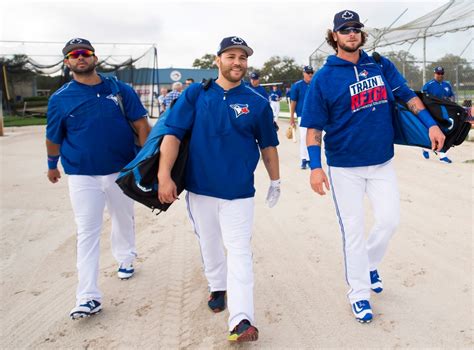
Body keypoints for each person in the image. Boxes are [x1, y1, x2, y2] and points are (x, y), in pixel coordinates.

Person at [301, 10, 445, 324]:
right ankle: (359, 295)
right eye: (345, 30)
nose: (351, 34)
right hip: (344, 167)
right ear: (335, 36)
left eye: (356, 29)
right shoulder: (325, 77)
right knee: (352, 232)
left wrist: (431, 125)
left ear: (361, 34)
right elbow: (313, 129)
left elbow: (407, 96)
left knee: (390, 221)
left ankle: (369, 263)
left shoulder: (379, 64)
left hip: (381, 162)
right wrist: (314, 166)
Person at [157, 36, 280, 342]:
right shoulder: (196, 94)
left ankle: (241, 319)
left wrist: (276, 180)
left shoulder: (257, 102)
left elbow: (268, 146)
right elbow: (172, 135)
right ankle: (218, 285)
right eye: (231, 56)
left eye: (242, 57)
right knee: (210, 243)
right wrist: (164, 176)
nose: (237, 62)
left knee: (239, 252)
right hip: (200, 188)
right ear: (218, 60)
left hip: (238, 191)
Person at [45, 38, 151, 320]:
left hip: (120, 169)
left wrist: (143, 161)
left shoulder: (118, 89)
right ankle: (88, 297)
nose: (80, 57)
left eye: (85, 53)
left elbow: (142, 125)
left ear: (95, 57)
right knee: (87, 231)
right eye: (73, 55)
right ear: (67, 63)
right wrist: (51, 164)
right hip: (82, 174)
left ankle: (126, 257)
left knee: (122, 217)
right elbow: (53, 137)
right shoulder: (59, 99)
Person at [421, 66, 455, 163]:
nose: (440, 75)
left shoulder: (447, 85)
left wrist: (452, 101)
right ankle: (425, 148)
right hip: (432, 111)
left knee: (444, 131)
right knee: (433, 130)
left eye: (441, 73)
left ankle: (442, 155)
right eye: (438, 73)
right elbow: (423, 97)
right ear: (434, 73)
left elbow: (451, 96)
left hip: (444, 111)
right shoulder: (428, 85)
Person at [290, 65, 314, 169]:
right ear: (303, 73)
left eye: (311, 72)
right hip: (302, 115)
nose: (310, 74)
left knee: (314, 138)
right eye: (308, 72)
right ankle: (304, 159)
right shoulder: (297, 85)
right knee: (304, 138)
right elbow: (293, 102)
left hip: (315, 115)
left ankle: (311, 159)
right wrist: (291, 117)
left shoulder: (315, 84)